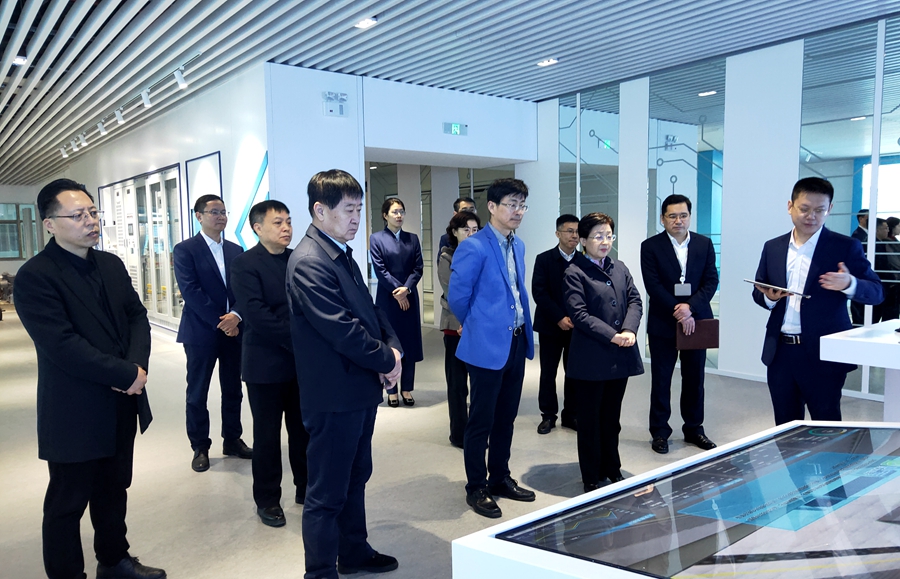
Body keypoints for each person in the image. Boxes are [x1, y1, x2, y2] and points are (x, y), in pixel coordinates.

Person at [15, 179, 165, 579]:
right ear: (50, 224)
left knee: (114, 489)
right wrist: (123, 373)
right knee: (67, 502)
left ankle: (114, 560)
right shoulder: (36, 276)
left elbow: (136, 316)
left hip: (121, 400)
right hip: (74, 408)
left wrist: (136, 367)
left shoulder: (110, 264)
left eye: (93, 212)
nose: (90, 221)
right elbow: (61, 345)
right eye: (78, 215)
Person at [288, 169, 402, 579]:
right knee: (326, 493)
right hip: (334, 396)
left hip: (357, 389)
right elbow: (342, 330)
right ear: (320, 210)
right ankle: (320, 572)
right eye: (349, 210)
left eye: (359, 209)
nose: (356, 218)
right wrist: (387, 361)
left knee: (355, 477)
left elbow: (370, 311)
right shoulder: (309, 261)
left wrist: (393, 348)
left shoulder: (340, 252)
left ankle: (353, 551)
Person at [752, 177, 883, 425]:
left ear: (829, 209)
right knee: (785, 426)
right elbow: (759, 289)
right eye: (804, 208)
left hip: (824, 354)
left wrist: (850, 284)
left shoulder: (845, 247)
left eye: (819, 210)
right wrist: (768, 298)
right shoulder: (773, 247)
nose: (811, 216)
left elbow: (877, 292)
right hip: (780, 352)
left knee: (826, 425)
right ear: (790, 206)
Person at [448, 177, 536, 519]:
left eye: (522, 205)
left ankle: (499, 476)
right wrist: (479, 325)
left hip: (516, 340)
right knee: (481, 420)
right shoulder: (474, 246)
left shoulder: (519, 245)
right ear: (492, 207)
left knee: (506, 417)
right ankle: (476, 486)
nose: (518, 211)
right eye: (511, 205)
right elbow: (458, 298)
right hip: (485, 345)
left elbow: (516, 290)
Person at [231, 200, 309, 528]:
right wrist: (299, 339)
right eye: (278, 222)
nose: (286, 228)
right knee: (266, 437)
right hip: (265, 364)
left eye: (288, 221)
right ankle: (267, 499)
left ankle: (306, 488)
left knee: (303, 430)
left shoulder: (297, 259)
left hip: (301, 363)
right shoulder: (245, 264)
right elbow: (256, 314)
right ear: (257, 227)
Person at [564, 212, 644, 493]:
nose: (605, 241)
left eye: (609, 236)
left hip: (619, 356)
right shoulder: (574, 272)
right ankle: (590, 475)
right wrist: (614, 335)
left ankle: (612, 468)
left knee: (611, 418)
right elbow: (579, 314)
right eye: (598, 236)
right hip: (591, 357)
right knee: (589, 420)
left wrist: (630, 330)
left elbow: (635, 300)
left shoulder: (619, 267)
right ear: (583, 240)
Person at [173, 194, 252, 472]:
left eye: (223, 212)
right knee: (197, 392)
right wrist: (223, 322)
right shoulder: (185, 250)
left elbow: (244, 288)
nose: (221, 217)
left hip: (234, 331)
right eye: (214, 212)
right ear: (199, 216)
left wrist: (237, 316)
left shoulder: (235, 250)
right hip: (201, 332)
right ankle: (200, 446)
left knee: (233, 389)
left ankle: (232, 439)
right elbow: (191, 291)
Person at [640, 194, 718, 455]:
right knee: (661, 380)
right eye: (672, 216)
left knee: (695, 379)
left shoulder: (704, 244)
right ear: (663, 219)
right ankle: (660, 432)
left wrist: (690, 308)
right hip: (664, 322)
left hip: (697, 321)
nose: (678, 221)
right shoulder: (650, 246)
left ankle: (694, 429)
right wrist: (679, 310)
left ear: (689, 217)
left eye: (683, 215)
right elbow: (653, 285)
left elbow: (711, 281)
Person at [370, 197, 424, 407]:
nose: (399, 215)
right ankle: (391, 389)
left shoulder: (413, 239)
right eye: (394, 212)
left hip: (409, 297)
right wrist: (398, 291)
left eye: (401, 211)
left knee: (409, 342)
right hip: (388, 298)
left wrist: (406, 289)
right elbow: (380, 270)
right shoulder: (377, 239)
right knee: (390, 343)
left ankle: (407, 388)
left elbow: (418, 268)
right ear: (385, 215)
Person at [532, 214, 580, 435]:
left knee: (574, 371)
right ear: (558, 233)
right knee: (548, 372)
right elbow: (539, 293)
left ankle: (571, 414)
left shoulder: (584, 260)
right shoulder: (544, 259)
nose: (574, 235)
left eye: (577, 231)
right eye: (569, 231)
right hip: (550, 325)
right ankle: (548, 415)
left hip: (577, 326)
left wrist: (574, 318)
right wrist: (559, 317)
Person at [438, 211, 481, 449]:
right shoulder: (446, 257)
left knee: (479, 384)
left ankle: (475, 433)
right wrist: (465, 319)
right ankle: (458, 434)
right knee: (457, 385)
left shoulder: (482, 254)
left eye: (475, 230)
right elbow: (452, 293)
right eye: (466, 230)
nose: (471, 234)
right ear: (454, 232)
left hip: (476, 328)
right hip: (455, 328)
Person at [873, 217, 900, 322]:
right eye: (899, 226)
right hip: (889, 282)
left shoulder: (892, 241)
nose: (887, 230)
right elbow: (893, 261)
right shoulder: (885, 243)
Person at [436, 196, 477, 264]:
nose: (468, 214)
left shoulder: (485, 235)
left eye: (472, 210)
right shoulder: (446, 239)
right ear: (455, 214)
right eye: (464, 211)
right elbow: (442, 265)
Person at [850, 208, 869, 325]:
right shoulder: (858, 235)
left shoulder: (868, 234)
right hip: (858, 274)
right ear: (861, 219)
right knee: (858, 311)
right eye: (868, 217)